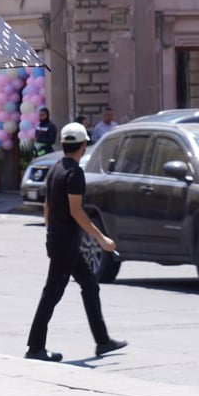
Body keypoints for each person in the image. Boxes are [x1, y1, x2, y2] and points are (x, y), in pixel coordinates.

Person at [25, 121, 127, 362]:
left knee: (89, 284)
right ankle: (35, 347)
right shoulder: (74, 173)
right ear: (83, 146)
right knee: (52, 294)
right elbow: (76, 211)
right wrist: (101, 238)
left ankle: (102, 341)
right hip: (66, 244)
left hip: (61, 241)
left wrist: (50, 232)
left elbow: (47, 206)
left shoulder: (56, 169)